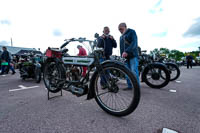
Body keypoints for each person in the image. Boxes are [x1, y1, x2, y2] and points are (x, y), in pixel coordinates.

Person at [118, 23, 139, 90]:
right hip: (125, 58)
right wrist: (122, 55)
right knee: (126, 73)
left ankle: (136, 87)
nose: (120, 31)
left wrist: (127, 51)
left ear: (125, 27)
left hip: (133, 55)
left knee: (134, 72)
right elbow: (121, 48)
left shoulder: (132, 32)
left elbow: (134, 43)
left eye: (121, 29)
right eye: (119, 29)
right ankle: (129, 86)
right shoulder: (121, 37)